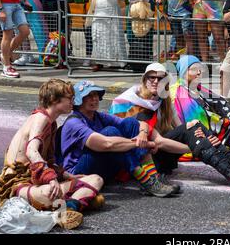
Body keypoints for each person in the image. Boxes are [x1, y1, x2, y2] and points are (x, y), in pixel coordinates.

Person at [109, 62, 230, 188]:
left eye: (160, 78)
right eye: (152, 78)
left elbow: (183, 128)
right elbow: (158, 141)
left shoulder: (163, 101)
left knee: (194, 126)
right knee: (196, 136)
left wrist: (202, 135)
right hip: (140, 160)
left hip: (160, 152)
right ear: (144, 80)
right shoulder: (130, 103)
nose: (156, 81)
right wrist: (198, 146)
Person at [0, 79, 104, 230]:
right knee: (50, 192)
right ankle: (72, 204)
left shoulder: (52, 123)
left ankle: (69, 209)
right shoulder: (41, 117)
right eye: (69, 98)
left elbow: (49, 161)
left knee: (96, 179)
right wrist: (51, 179)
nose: (73, 101)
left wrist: (66, 176)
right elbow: (31, 151)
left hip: (36, 181)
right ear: (54, 99)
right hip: (20, 184)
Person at [59, 80, 188, 197]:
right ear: (78, 101)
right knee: (110, 132)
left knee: (130, 123)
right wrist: (145, 144)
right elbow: (106, 144)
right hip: (80, 172)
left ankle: (153, 178)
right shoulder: (73, 122)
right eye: (89, 96)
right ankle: (146, 181)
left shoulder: (97, 116)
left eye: (96, 95)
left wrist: (143, 133)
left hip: (101, 166)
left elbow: (139, 124)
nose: (95, 99)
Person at [90, 0, 127, 71]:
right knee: (98, 36)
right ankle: (99, 61)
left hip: (112, 11)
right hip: (98, 11)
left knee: (113, 35)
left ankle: (117, 62)